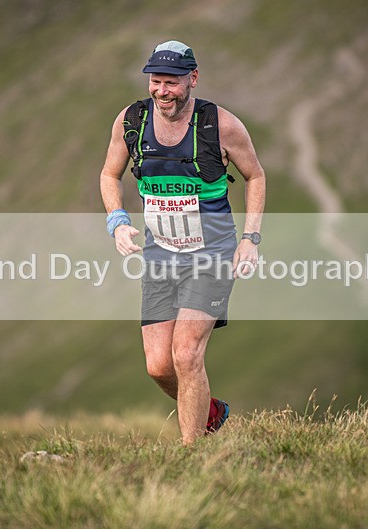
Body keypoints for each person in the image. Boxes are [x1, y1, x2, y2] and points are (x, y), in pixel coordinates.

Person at [99, 40, 266, 444]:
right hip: (161, 254)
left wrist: (250, 239)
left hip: (212, 253)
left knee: (186, 354)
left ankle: (191, 456)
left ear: (193, 78)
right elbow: (109, 175)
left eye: (171, 83)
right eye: (155, 82)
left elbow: (256, 177)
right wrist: (118, 221)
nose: (162, 92)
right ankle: (209, 412)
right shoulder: (131, 122)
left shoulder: (220, 125)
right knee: (158, 366)